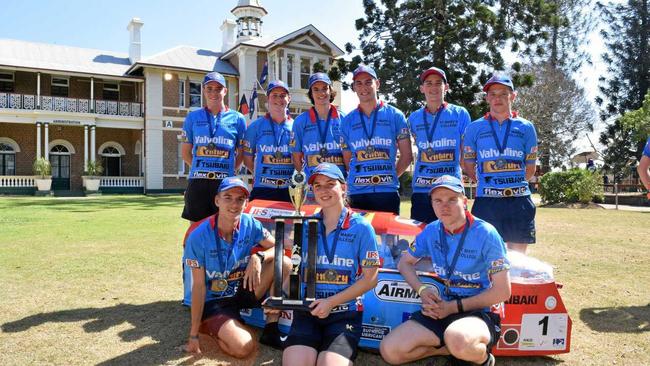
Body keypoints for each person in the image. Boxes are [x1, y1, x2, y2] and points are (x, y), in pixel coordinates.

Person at [379, 175, 510, 366]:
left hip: (478, 312)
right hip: (442, 308)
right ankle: (452, 350)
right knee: (390, 351)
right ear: (432, 204)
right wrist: (422, 291)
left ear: (464, 202)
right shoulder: (432, 231)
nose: (444, 206)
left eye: (451, 199)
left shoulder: (486, 233)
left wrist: (453, 308)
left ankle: (483, 358)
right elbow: (404, 263)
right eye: (438, 200)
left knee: (457, 338)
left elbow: (502, 292)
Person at [282, 163, 380, 366]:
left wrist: (331, 303)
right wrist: (280, 297)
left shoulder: (362, 227)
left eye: (330, 184)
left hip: (344, 313)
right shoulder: (307, 225)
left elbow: (371, 279)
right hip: (308, 311)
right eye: (318, 186)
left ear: (343, 187)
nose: (323, 190)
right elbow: (297, 270)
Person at [182, 177, 291, 357]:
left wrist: (259, 256)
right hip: (215, 302)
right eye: (228, 197)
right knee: (244, 348)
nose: (234, 203)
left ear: (246, 202)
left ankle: (271, 329)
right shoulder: (198, 236)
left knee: (284, 263)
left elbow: (278, 247)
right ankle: (209, 327)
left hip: (242, 289)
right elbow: (199, 287)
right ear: (217, 200)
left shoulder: (250, 223)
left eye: (240, 199)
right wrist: (193, 335)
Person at [463, 75, 538, 254]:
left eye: (503, 94)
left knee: (518, 259)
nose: (498, 98)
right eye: (493, 94)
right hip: (487, 201)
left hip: (518, 200)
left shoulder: (526, 127)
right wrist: (489, 183)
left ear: (513, 96)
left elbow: (530, 168)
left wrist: (511, 183)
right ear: (487, 98)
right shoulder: (474, 128)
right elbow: (468, 165)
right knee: (485, 256)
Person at [340, 65, 412, 215]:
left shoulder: (395, 115)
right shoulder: (347, 121)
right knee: (358, 237)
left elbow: (407, 156)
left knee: (388, 239)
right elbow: (347, 161)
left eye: (368, 82)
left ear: (377, 84)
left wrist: (389, 176)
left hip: (386, 192)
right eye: (358, 83)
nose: (363, 87)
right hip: (357, 193)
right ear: (353, 87)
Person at [180, 71, 247, 223]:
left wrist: (230, 169)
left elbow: (241, 152)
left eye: (218, 89)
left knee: (225, 229)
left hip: (224, 184)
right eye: (209, 88)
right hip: (198, 183)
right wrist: (200, 167)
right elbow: (185, 153)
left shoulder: (238, 118)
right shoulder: (192, 117)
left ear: (225, 91)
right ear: (203, 90)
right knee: (195, 231)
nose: (213, 92)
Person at [408, 67, 471, 223]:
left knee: (454, 236)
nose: (433, 87)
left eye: (438, 83)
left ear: (446, 87)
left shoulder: (460, 114)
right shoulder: (414, 118)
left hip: (451, 189)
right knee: (422, 240)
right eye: (428, 83)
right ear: (422, 88)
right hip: (422, 190)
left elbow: (466, 156)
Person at [291, 72, 346, 200]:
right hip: (313, 188)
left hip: (337, 187)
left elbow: (349, 155)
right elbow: (296, 156)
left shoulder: (344, 118)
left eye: (324, 88)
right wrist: (305, 181)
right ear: (311, 93)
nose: (321, 93)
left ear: (330, 90)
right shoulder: (300, 121)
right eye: (316, 89)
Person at [243, 80, 294, 202]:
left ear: (289, 98)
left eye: (282, 96)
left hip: (290, 189)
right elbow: (247, 159)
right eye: (274, 95)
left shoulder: (296, 126)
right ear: (268, 98)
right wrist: (261, 174)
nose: (278, 99)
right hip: (263, 188)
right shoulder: (255, 126)